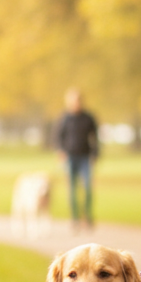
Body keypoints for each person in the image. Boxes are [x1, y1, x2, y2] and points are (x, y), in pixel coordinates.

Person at [54, 88, 99, 229]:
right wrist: (60, 151)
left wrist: (95, 154)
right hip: (70, 157)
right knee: (72, 189)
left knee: (87, 188)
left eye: (78, 100)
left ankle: (87, 216)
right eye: (73, 100)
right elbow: (58, 137)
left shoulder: (88, 118)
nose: (76, 103)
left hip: (85, 157)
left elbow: (95, 138)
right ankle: (75, 218)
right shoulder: (64, 118)